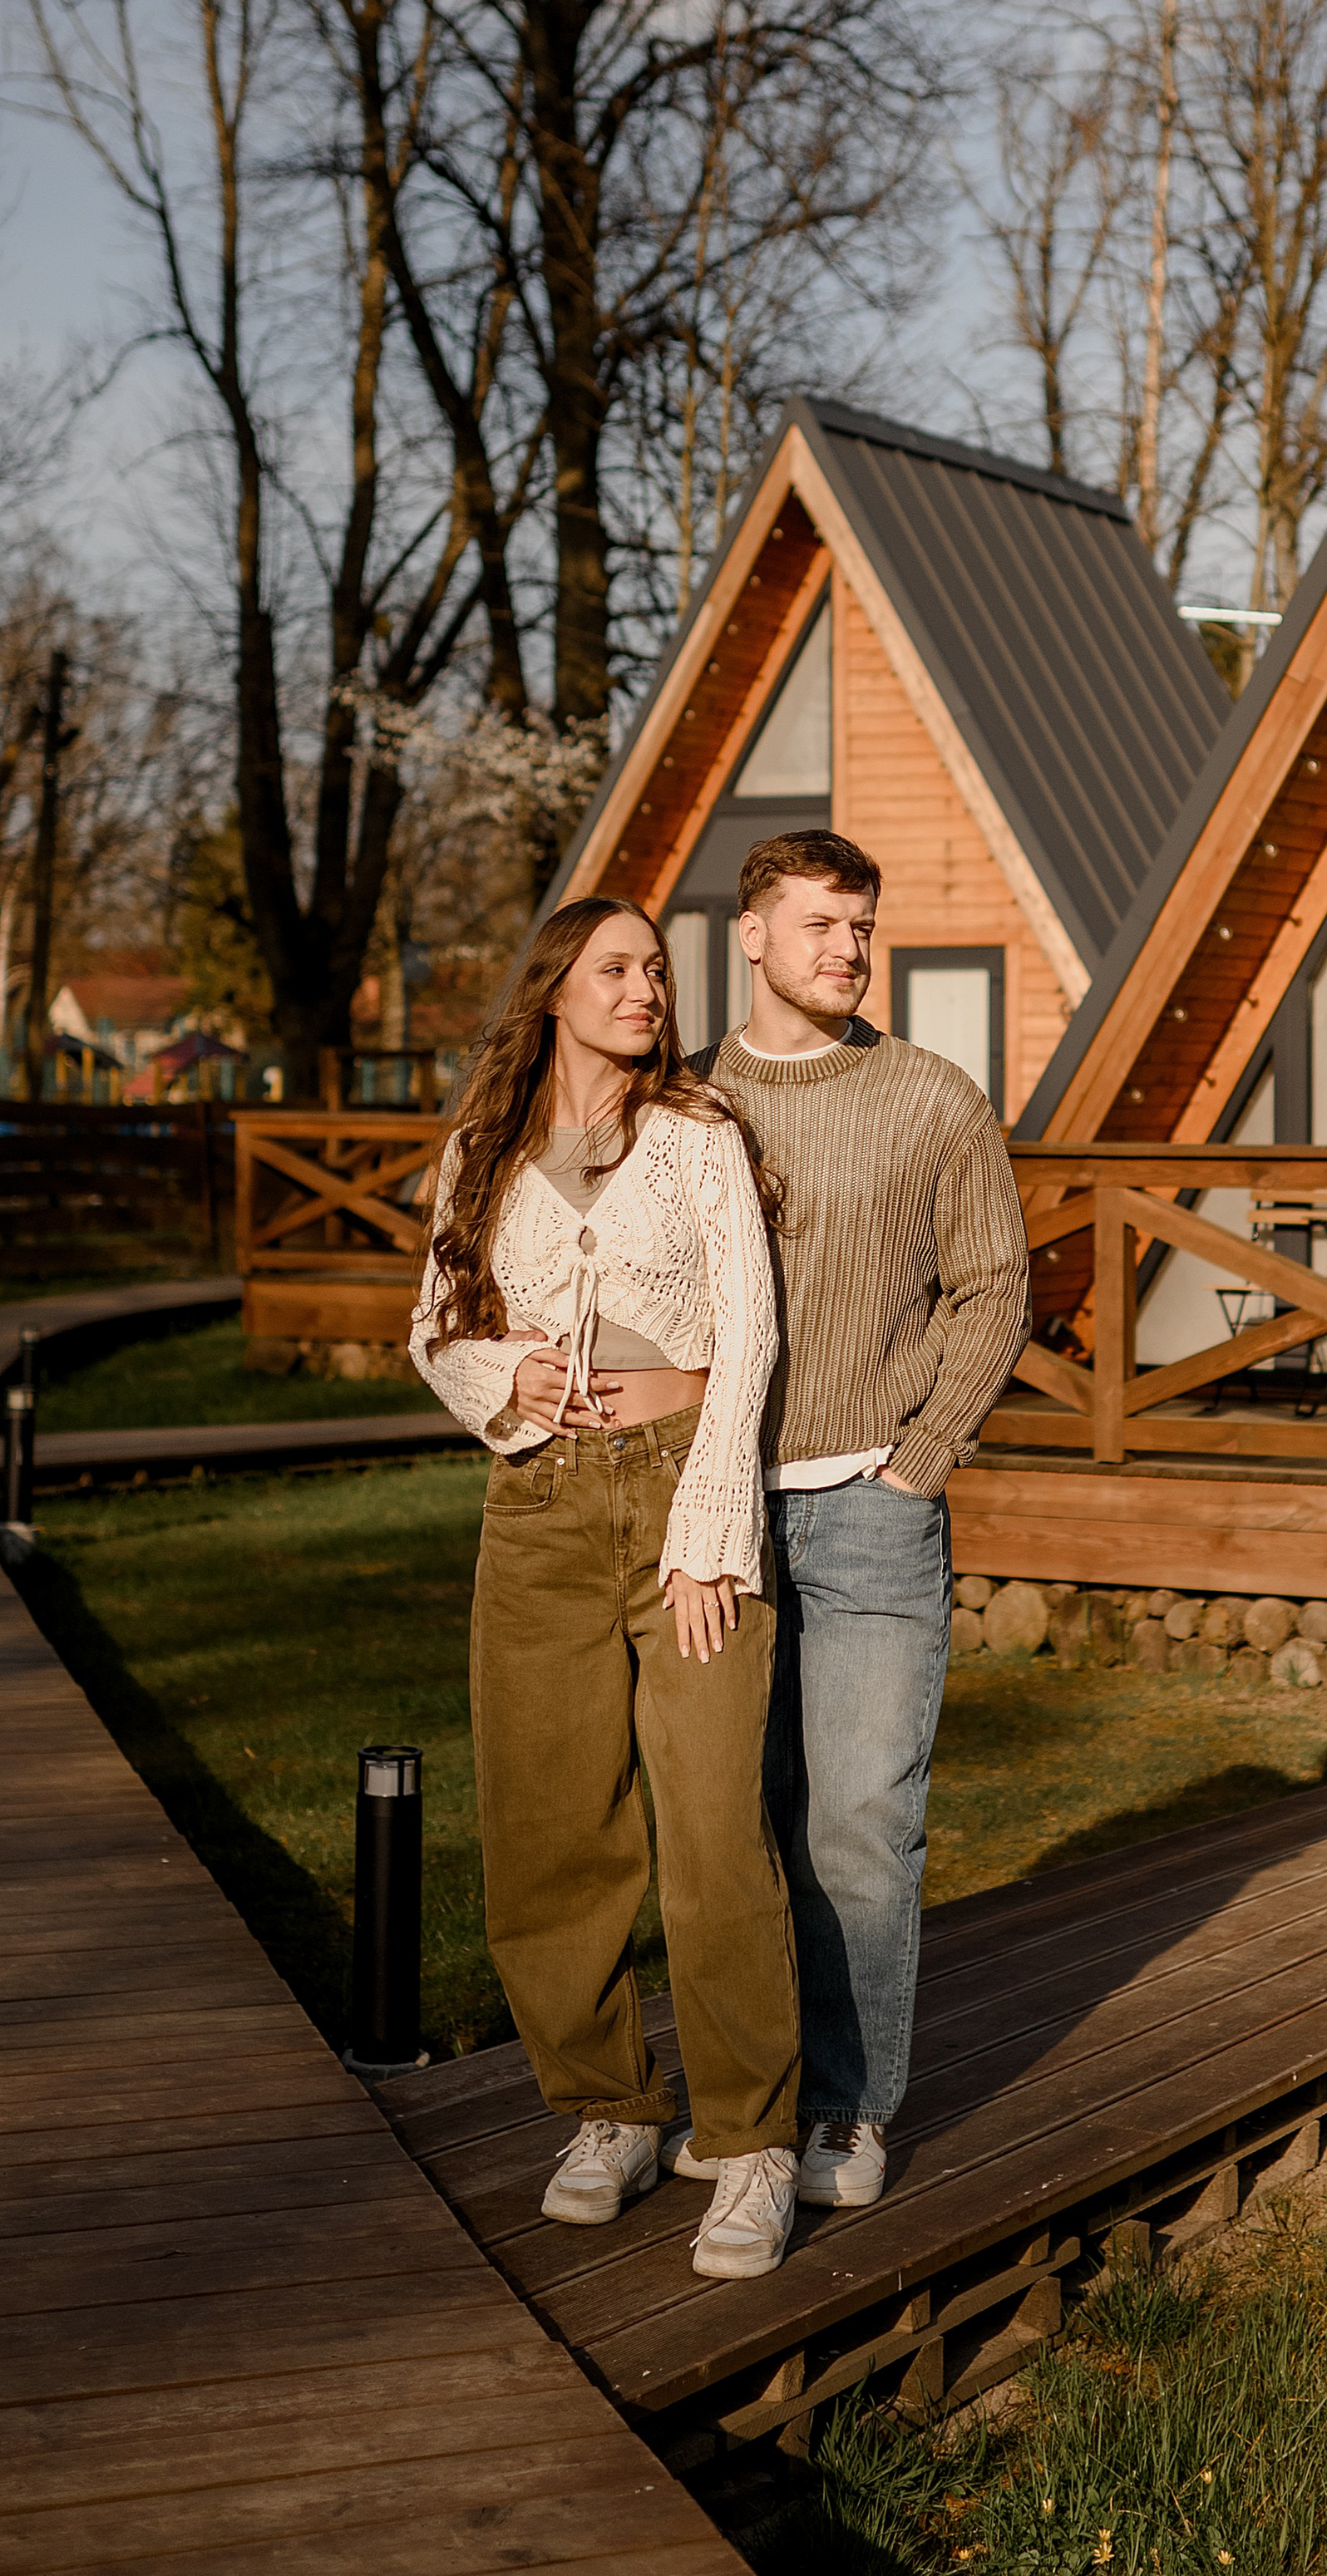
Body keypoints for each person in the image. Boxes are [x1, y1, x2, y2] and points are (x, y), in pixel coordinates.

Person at [408, 894, 803, 2281]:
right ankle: (609, 2109)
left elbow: (750, 1335)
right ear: (555, 987)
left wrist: (710, 1524)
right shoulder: (482, 1155)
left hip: (684, 1494)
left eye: (656, 972)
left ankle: (751, 2143)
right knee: (548, 1828)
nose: (646, 990)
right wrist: (497, 1379)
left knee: (710, 1827)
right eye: (619, 968)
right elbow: (435, 1328)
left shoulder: (697, 1137)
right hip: (536, 1511)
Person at [662, 830, 1029, 2213]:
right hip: (715, 1521)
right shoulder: (683, 1105)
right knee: (727, 1827)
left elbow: (993, 1293)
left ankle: (847, 2109)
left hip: (875, 1513)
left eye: (862, 929)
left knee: (860, 1826)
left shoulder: (932, 1097)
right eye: (820, 925)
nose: (848, 951)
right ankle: (742, 2103)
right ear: (748, 935)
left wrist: (918, 1464)